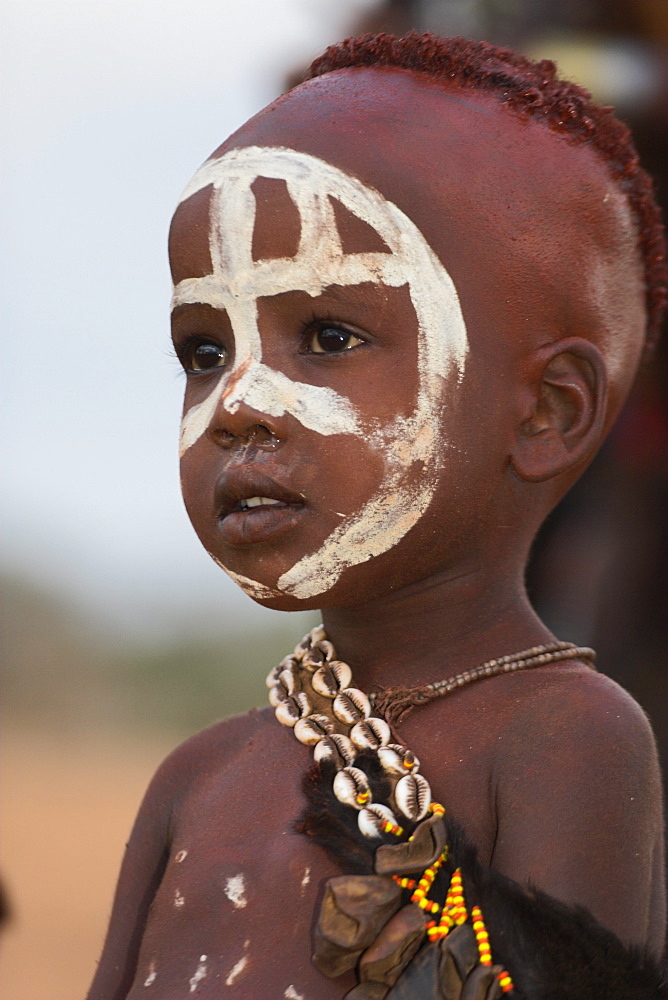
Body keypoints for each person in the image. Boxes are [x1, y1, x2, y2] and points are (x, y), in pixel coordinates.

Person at [86, 33, 667, 1000]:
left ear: (546, 413)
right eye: (201, 352)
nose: (239, 403)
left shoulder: (564, 737)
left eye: (327, 336)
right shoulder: (195, 781)